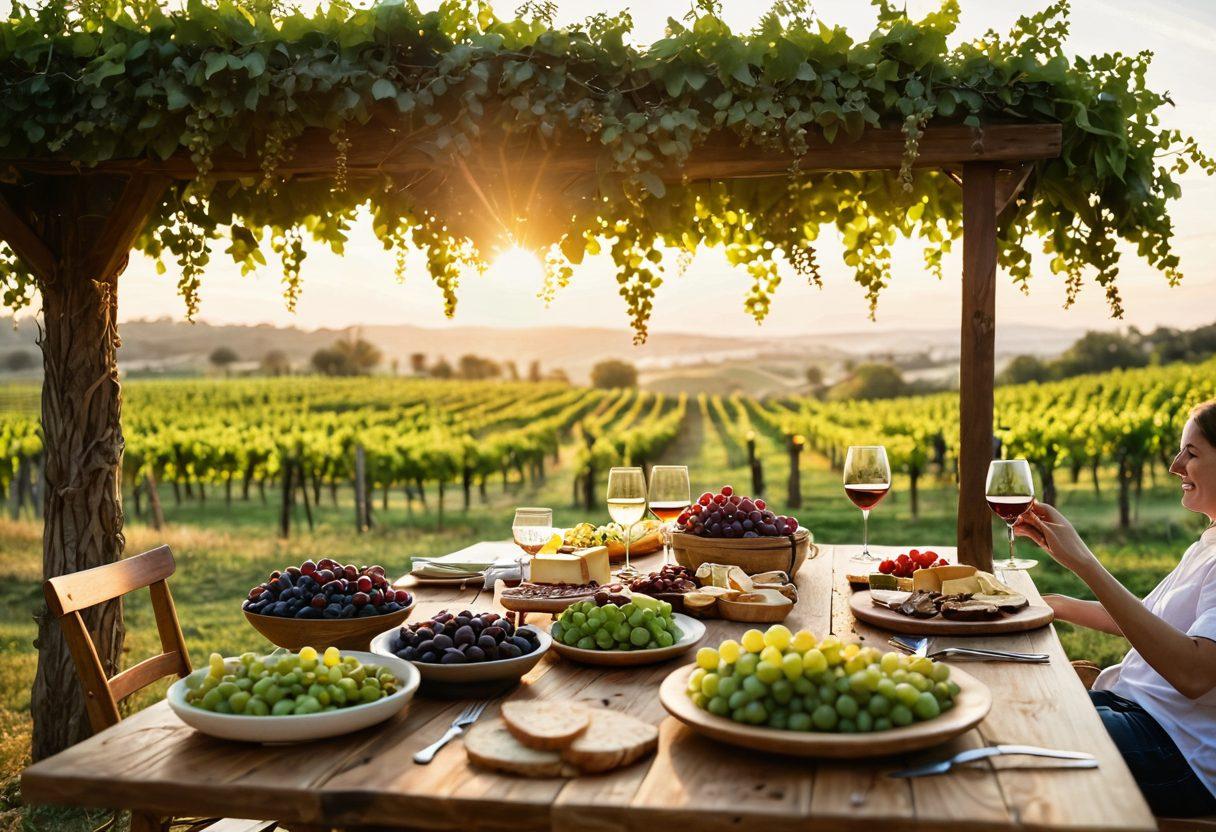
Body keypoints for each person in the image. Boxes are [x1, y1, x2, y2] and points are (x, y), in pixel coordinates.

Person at [1013, 399, 1216, 817]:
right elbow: (1146, 621)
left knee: (1014, 731)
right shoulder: (1208, 544)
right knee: (1012, 704)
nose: (1175, 465)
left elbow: (1196, 673)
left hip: (1178, 750)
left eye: (1191, 453)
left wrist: (1084, 563)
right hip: (1136, 710)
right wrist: (1051, 605)